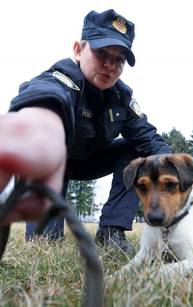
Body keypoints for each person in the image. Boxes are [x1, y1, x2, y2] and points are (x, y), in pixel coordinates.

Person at [0, 9, 171, 253]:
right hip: (50, 160)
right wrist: (41, 120)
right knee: (45, 246)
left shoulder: (122, 96)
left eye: (119, 60)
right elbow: (47, 93)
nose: (110, 65)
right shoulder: (63, 78)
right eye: (101, 53)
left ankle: (111, 230)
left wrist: (177, 170)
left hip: (87, 161)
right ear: (79, 50)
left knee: (138, 151)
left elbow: (149, 139)